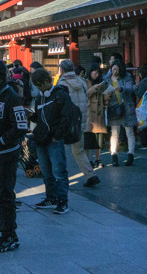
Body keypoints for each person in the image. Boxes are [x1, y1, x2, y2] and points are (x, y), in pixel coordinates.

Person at [0, 60, 29, 250]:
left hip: (6, 155)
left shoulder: (11, 97)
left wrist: (1, 141)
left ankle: (9, 235)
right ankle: (5, 232)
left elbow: (21, 126)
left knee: (6, 195)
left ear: (0, 77)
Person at [30, 68, 72, 214]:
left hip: (54, 139)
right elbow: (39, 117)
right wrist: (31, 116)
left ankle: (62, 201)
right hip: (41, 139)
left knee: (59, 171)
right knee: (46, 171)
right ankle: (51, 197)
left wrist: (57, 135)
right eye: (37, 86)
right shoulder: (39, 97)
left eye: (41, 85)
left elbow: (66, 117)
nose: (40, 88)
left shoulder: (60, 95)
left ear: (49, 81)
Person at [59, 59, 99, 187]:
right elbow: (86, 96)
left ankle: (60, 179)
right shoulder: (81, 81)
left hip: (66, 122)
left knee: (59, 150)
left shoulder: (62, 83)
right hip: (81, 120)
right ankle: (90, 175)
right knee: (79, 150)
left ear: (62, 70)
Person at [103, 61, 137, 166]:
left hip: (126, 107)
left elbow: (130, 88)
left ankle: (131, 154)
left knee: (129, 132)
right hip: (114, 108)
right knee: (114, 133)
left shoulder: (126, 77)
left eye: (117, 69)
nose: (115, 71)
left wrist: (122, 89)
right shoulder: (106, 79)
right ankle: (114, 154)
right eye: (113, 69)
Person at [84, 64, 107, 168]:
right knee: (88, 139)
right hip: (89, 113)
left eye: (98, 73)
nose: (97, 75)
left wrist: (108, 96)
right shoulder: (85, 82)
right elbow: (84, 95)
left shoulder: (102, 83)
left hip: (99, 112)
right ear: (90, 72)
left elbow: (105, 97)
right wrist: (93, 88)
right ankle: (87, 160)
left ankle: (98, 159)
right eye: (95, 73)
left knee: (99, 139)